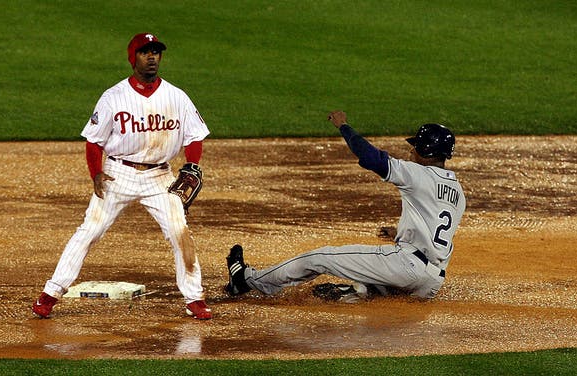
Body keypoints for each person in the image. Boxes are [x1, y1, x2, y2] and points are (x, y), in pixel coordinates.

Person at [32, 33, 212, 319]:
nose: (152, 57)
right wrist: (96, 174)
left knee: (181, 234)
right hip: (118, 174)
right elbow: (94, 141)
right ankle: (51, 293)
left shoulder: (177, 96)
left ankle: (194, 299)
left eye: (156, 52)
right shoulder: (113, 97)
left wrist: (191, 164)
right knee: (89, 231)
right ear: (133, 58)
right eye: (145, 52)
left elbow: (194, 137)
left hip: (160, 178)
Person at [225, 111, 465, 302]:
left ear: (426, 150)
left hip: (405, 267)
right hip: (431, 282)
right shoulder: (457, 191)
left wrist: (344, 126)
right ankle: (356, 293)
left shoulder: (416, 173)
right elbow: (435, 224)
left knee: (318, 258)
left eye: (415, 146)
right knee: (377, 288)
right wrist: (401, 231)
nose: (411, 150)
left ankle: (246, 280)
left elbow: (372, 158)